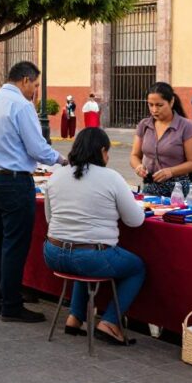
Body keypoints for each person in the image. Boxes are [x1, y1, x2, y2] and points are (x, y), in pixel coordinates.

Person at [0, 61, 67, 323]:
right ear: (25, 80)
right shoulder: (21, 106)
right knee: (14, 244)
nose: (35, 91)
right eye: (36, 85)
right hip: (14, 182)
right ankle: (11, 304)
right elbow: (38, 149)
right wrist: (62, 160)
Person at [43, 128, 144, 346]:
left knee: (83, 255)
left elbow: (49, 219)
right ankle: (109, 321)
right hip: (89, 258)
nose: (108, 157)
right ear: (101, 151)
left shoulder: (57, 175)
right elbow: (135, 220)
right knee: (136, 267)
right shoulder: (111, 177)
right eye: (107, 152)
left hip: (52, 253)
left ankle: (75, 317)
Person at [130, 82, 192, 197]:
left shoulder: (186, 126)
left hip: (178, 190)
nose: (154, 110)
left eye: (159, 105)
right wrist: (138, 167)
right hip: (150, 188)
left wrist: (170, 171)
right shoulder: (144, 125)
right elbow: (134, 155)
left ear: (171, 102)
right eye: (150, 105)